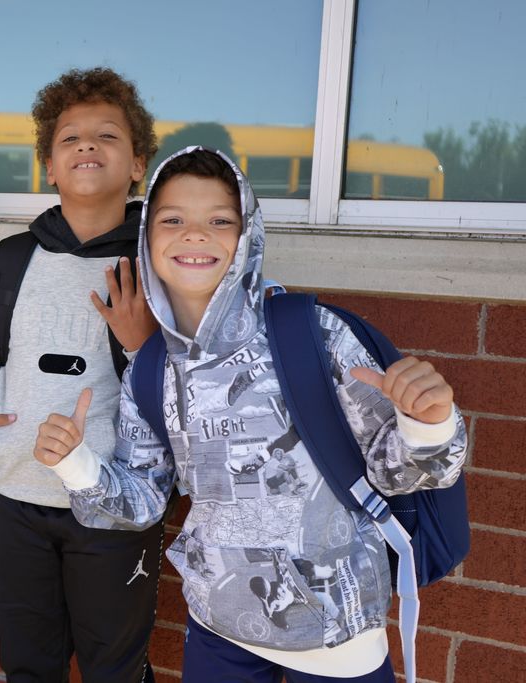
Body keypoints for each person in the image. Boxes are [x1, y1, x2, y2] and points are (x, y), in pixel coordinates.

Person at [35, 147, 467, 682]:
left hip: (334, 634)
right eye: (173, 220)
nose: (195, 234)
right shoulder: (150, 368)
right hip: (219, 628)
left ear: (247, 238)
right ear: (147, 237)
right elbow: (144, 499)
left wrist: (429, 423)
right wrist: (77, 466)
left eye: (219, 220)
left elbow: (398, 475)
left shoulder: (316, 334)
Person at [0, 67, 162, 682]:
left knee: (113, 670)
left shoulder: (157, 264)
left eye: (107, 136)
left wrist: (142, 344)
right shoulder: (13, 258)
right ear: (48, 164)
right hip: (17, 496)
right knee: (28, 665)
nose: (87, 146)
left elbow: (191, 387)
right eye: (70, 138)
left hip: (113, 503)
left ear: (138, 163)